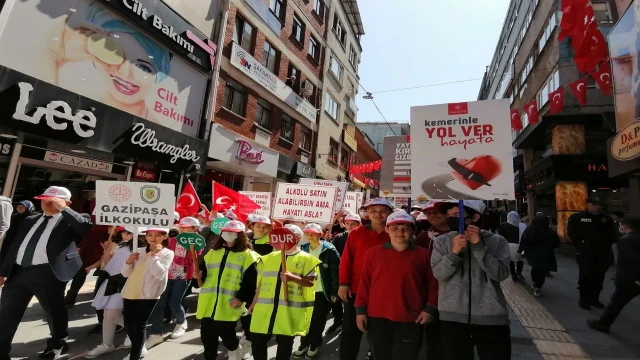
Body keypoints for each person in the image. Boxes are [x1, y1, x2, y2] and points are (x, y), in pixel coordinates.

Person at [0, 186, 92, 359]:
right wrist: (2, 272)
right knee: (7, 312)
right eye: (44, 200)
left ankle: (58, 343)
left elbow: (84, 226)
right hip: (19, 271)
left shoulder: (72, 220)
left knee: (53, 310)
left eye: (52, 201)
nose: (47, 204)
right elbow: (14, 246)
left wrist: (63, 208)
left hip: (48, 273)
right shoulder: (30, 219)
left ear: (67, 203)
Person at [431, 200, 511, 360]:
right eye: (449, 215)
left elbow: (501, 274)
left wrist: (479, 247)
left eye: (457, 215)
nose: (451, 219)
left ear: (474, 217)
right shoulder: (442, 241)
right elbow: (439, 273)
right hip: (452, 316)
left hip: (491, 317)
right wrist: (454, 253)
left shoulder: (497, 241)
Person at [355, 212, 438, 360]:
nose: (400, 232)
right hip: (377, 316)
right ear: (387, 229)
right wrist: (360, 310)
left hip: (411, 317)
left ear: (413, 231)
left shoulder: (424, 255)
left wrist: (430, 307)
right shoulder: (373, 253)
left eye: (406, 228)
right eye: (395, 228)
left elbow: (433, 284)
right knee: (380, 355)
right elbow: (365, 283)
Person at [248, 224, 321, 360]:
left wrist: (292, 277)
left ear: (298, 238)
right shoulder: (269, 258)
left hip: (288, 311)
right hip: (264, 310)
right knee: (257, 341)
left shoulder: (307, 259)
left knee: (285, 343)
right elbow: (261, 283)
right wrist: (253, 303)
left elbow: (311, 282)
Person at [195, 220, 259, 360]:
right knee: (207, 337)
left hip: (229, 303)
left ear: (240, 235)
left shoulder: (249, 256)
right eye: (225, 232)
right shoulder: (213, 253)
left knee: (227, 335)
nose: (228, 234)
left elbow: (251, 282)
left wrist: (240, 298)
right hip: (209, 303)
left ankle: (234, 349)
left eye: (233, 233)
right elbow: (204, 274)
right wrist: (198, 276)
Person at [338, 198, 393, 360]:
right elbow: (346, 260)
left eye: (383, 211)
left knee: (379, 335)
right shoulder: (356, 233)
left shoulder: (395, 232)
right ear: (367, 213)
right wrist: (343, 284)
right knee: (349, 331)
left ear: (390, 213)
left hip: (383, 293)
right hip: (355, 290)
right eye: (373, 210)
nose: (378, 214)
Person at [84, 227, 142, 358]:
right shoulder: (121, 246)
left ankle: (138, 334)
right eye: (124, 231)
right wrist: (106, 251)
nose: (122, 233)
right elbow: (107, 264)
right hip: (110, 281)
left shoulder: (140, 249)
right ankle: (108, 343)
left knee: (112, 314)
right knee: (108, 314)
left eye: (127, 232)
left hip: (123, 283)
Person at [147, 217, 203, 348]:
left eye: (185, 227)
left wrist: (174, 256)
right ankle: (156, 332)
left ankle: (181, 322)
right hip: (167, 274)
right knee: (160, 302)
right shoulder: (172, 240)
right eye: (181, 227)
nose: (181, 229)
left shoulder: (198, 243)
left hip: (183, 276)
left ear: (194, 229)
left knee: (174, 302)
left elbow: (191, 260)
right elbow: (162, 249)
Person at [121, 228, 174, 360]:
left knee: (139, 324)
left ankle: (136, 354)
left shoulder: (167, 253)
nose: (153, 238)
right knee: (128, 324)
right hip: (131, 290)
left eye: (157, 235)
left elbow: (159, 274)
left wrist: (154, 255)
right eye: (149, 235)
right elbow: (125, 273)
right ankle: (140, 347)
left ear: (164, 237)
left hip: (149, 293)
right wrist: (128, 262)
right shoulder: (138, 251)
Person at [587, 216, 640, 333]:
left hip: (629, 279)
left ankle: (603, 324)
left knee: (616, 302)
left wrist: (636, 278)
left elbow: (630, 261)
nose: (619, 227)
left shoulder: (626, 240)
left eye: (621, 225)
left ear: (626, 226)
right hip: (633, 278)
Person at [295, 223, 340, 358]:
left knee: (317, 320)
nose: (310, 235)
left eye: (313, 233)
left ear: (320, 234)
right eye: (307, 233)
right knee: (304, 319)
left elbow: (335, 272)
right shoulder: (302, 248)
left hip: (321, 291)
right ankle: (304, 343)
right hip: (304, 290)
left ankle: (314, 343)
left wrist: (334, 292)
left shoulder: (329, 249)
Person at [413, 200, 450, 360]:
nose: (432, 216)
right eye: (428, 213)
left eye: (436, 212)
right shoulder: (422, 237)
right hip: (429, 294)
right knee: (433, 338)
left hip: (454, 295)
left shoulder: (461, 235)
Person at [567, 197, 617, 309]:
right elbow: (571, 232)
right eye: (595, 204)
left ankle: (595, 299)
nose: (597, 207)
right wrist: (580, 245)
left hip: (602, 251)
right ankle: (584, 299)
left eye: (599, 204)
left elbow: (612, 235)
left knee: (599, 276)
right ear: (588, 204)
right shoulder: (578, 217)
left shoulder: (606, 219)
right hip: (586, 251)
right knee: (586, 274)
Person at [326, 213, 360, 335]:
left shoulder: (362, 237)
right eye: (347, 223)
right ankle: (337, 322)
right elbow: (332, 254)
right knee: (337, 301)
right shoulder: (339, 238)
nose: (350, 226)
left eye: (353, 224)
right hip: (339, 274)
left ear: (359, 224)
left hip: (356, 276)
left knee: (350, 302)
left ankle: (351, 324)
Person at [518, 214, 561, 297]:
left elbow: (524, 240)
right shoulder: (550, 231)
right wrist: (549, 247)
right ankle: (538, 286)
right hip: (546, 253)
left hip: (533, 253)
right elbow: (557, 243)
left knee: (535, 268)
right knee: (542, 270)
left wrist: (522, 250)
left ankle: (535, 283)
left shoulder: (530, 230)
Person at [497, 211, 527, 281]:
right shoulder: (522, 225)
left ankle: (513, 274)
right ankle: (519, 272)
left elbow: (500, 236)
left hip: (508, 246)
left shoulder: (503, 225)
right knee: (520, 260)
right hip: (519, 245)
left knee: (510, 261)